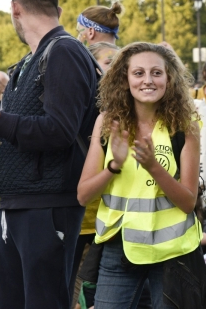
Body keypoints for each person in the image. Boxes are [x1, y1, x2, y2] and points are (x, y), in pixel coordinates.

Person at [77, 42, 204, 308]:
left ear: (169, 78)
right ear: (124, 79)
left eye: (156, 73)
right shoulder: (106, 121)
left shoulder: (185, 125)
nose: (148, 80)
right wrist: (114, 166)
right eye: (138, 73)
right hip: (118, 248)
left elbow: (188, 202)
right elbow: (83, 195)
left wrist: (153, 166)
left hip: (172, 252)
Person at [0, 0, 99, 308]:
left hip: (47, 206)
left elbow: (59, 130)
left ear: (16, 10)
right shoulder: (33, 59)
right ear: (56, 7)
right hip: (20, 204)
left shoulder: (64, 51)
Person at [71, 42, 122, 308]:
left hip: (114, 227)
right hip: (81, 222)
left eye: (119, 63)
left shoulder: (131, 110)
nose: (115, 69)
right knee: (78, 297)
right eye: (108, 62)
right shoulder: (76, 107)